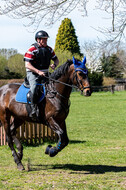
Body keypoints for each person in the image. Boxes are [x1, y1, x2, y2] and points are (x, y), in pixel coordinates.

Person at [24, 30, 59, 118]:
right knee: (35, 87)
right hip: (33, 73)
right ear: (38, 40)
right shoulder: (32, 49)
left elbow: (56, 59)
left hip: (45, 73)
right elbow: (27, 65)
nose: (45, 41)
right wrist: (38, 72)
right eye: (43, 39)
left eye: (46, 39)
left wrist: (54, 64)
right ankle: (33, 109)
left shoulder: (49, 49)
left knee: (54, 86)